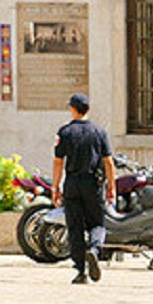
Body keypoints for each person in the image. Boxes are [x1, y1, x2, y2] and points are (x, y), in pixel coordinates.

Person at [52, 93, 116, 285]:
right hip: (93, 184)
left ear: (73, 109)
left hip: (72, 183)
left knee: (75, 227)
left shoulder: (65, 132)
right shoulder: (99, 132)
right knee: (97, 223)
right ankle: (95, 250)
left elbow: (58, 162)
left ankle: (81, 271)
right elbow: (108, 162)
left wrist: (55, 187)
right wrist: (111, 185)